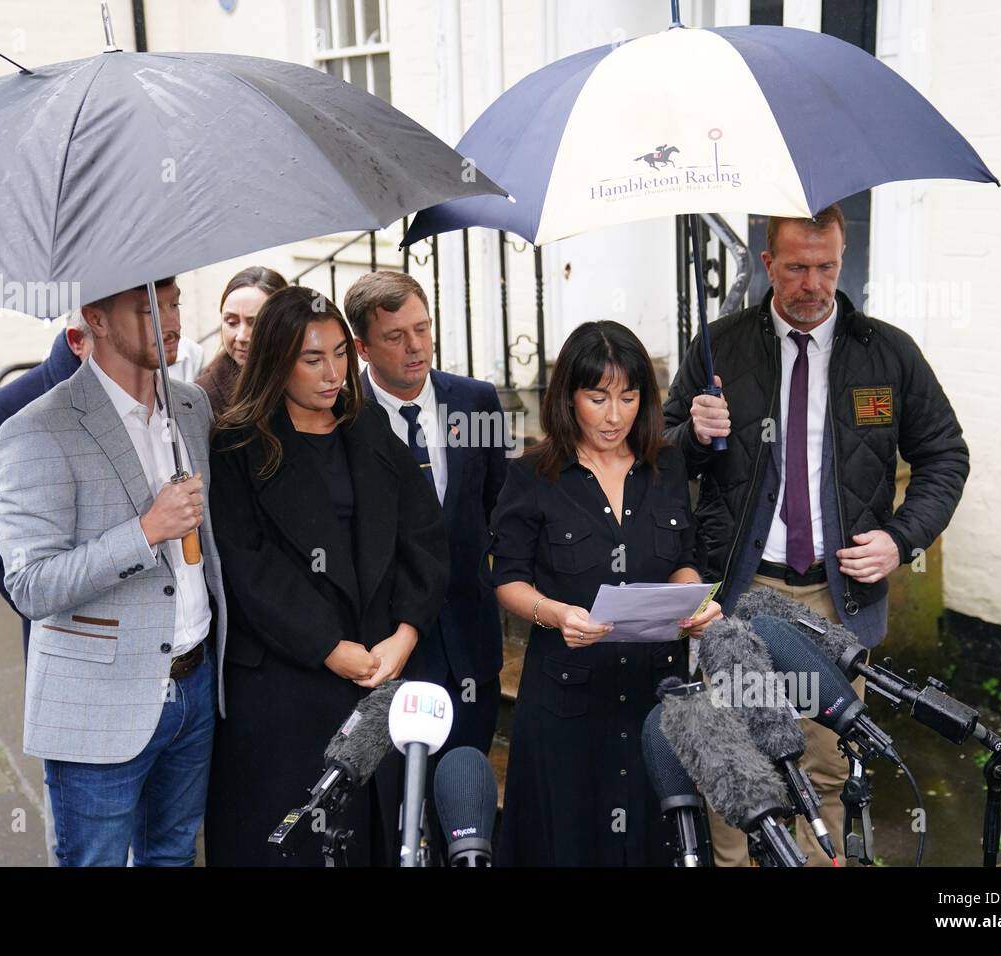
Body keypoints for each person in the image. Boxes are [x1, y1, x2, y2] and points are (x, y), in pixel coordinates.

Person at [663, 204, 970, 865]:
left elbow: (945, 453)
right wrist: (694, 432)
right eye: (796, 268)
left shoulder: (886, 353)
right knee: (735, 769)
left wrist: (902, 538)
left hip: (836, 603)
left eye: (826, 267)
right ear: (768, 263)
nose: (812, 284)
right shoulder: (721, 347)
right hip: (740, 597)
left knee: (827, 769)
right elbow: (657, 461)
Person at [204, 285, 448, 867]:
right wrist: (328, 647)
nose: (333, 371)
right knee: (297, 844)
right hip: (285, 690)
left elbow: (426, 540)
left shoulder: (368, 432)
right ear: (275, 362)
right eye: (313, 359)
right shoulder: (237, 446)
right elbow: (249, 570)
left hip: (377, 674)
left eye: (340, 353)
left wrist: (407, 632)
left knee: (375, 840)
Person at [0, 277, 227, 867]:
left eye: (172, 302)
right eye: (148, 307)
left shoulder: (192, 406)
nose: (170, 317)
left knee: (172, 857)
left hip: (196, 684)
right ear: (96, 319)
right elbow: (30, 585)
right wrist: (147, 530)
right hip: (98, 700)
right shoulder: (36, 428)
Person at [488, 320, 721, 867]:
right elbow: (508, 579)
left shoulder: (666, 468)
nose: (614, 415)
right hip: (567, 702)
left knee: (657, 841)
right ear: (569, 397)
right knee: (567, 844)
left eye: (628, 397)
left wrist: (694, 600)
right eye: (597, 398)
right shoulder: (530, 476)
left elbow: (684, 560)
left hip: (657, 698)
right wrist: (556, 613)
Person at [346, 271, 508, 756]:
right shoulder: (343, 416)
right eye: (395, 337)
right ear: (362, 348)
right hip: (384, 648)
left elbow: (498, 509)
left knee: (464, 793)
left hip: (470, 642)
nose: (415, 346)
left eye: (423, 328)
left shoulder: (476, 401)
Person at [0, 315, 93, 652]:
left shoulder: (149, 393)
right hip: (64, 635)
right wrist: (54, 613)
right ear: (77, 340)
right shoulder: (9, 408)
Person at [195, 266, 288, 416]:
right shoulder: (203, 396)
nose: (241, 336)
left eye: (254, 323)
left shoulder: (306, 381)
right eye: (231, 322)